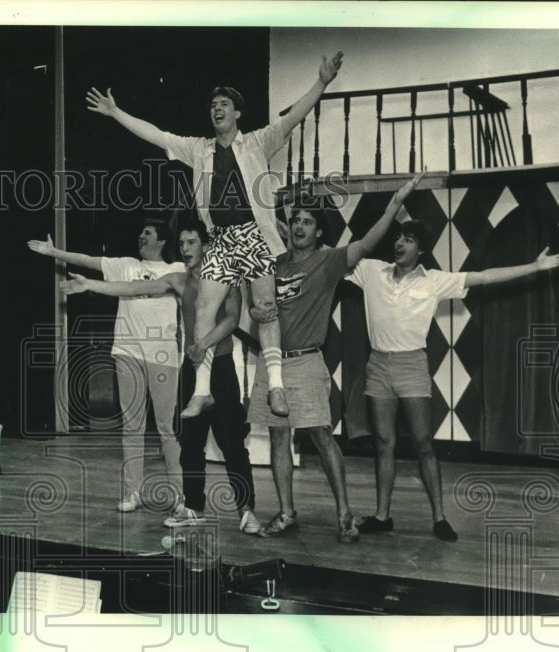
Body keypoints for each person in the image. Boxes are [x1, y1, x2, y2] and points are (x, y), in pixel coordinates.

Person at [86, 52, 344, 421]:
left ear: (237, 112)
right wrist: (116, 113)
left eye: (223, 104)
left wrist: (321, 82)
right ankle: (201, 391)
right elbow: (156, 134)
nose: (216, 109)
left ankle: (276, 386)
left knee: (265, 308)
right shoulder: (199, 148)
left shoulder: (258, 141)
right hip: (221, 239)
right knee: (203, 309)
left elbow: (294, 116)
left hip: (254, 235)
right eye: (212, 105)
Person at [350, 225, 559, 542]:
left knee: (423, 443)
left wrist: (535, 267)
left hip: (412, 365)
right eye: (398, 237)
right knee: (384, 444)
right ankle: (383, 516)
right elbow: (329, 261)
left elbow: (483, 276)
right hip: (377, 364)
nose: (400, 243)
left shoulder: (435, 280)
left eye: (409, 240)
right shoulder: (370, 270)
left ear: (421, 250)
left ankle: (440, 518)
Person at [248, 172, 425, 544]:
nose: (299, 226)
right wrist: (255, 315)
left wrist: (395, 202)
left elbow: (368, 242)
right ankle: (285, 512)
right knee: (279, 439)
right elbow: (258, 312)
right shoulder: (274, 265)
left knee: (322, 438)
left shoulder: (328, 262)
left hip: (308, 362)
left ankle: (344, 514)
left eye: (308, 222)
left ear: (318, 232)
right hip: (272, 364)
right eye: (295, 220)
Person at [61, 221, 262, 535]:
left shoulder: (227, 279)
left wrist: (203, 344)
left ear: (206, 246)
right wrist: (91, 285)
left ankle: (247, 510)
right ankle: (194, 507)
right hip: (191, 368)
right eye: (181, 243)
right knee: (191, 444)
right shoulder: (178, 281)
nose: (185, 248)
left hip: (219, 369)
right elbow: (132, 289)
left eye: (191, 242)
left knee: (232, 444)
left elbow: (233, 320)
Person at [28, 221, 183, 512]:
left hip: (163, 357)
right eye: (141, 231)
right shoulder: (124, 264)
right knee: (132, 427)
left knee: (165, 428)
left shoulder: (177, 272)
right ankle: (131, 492)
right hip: (126, 352)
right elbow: (87, 260)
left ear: (161, 241)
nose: (141, 235)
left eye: (147, 232)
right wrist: (54, 252)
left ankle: (179, 495)